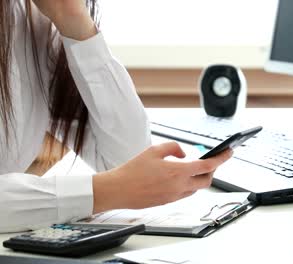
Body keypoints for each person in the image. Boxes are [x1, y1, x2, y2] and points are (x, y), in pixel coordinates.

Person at [0, 0, 232, 233]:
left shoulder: (31, 13)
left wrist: (74, 20)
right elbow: (129, 181)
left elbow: (129, 160)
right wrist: (106, 191)